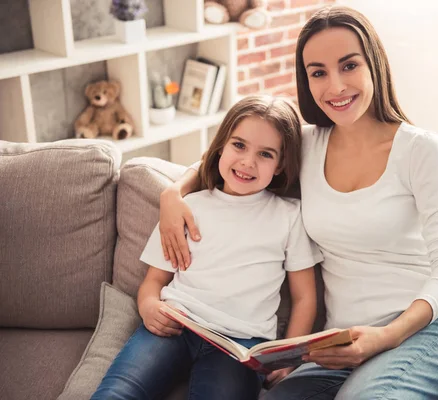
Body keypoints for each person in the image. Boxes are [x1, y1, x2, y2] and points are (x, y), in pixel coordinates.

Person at [159, 5, 438, 400]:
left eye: (349, 65)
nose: (336, 87)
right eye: (319, 73)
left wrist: (384, 337)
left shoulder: (419, 148)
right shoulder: (307, 146)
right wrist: (172, 193)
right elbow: (228, 159)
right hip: (341, 343)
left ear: (373, 64)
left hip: (426, 329)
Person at [92, 95, 323, 400]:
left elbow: (305, 297)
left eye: (265, 154)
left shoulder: (289, 217)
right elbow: (154, 281)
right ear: (221, 146)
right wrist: (148, 307)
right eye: (238, 145)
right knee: (115, 394)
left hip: (240, 345)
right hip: (176, 324)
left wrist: (289, 356)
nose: (247, 162)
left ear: (281, 164)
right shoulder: (188, 207)